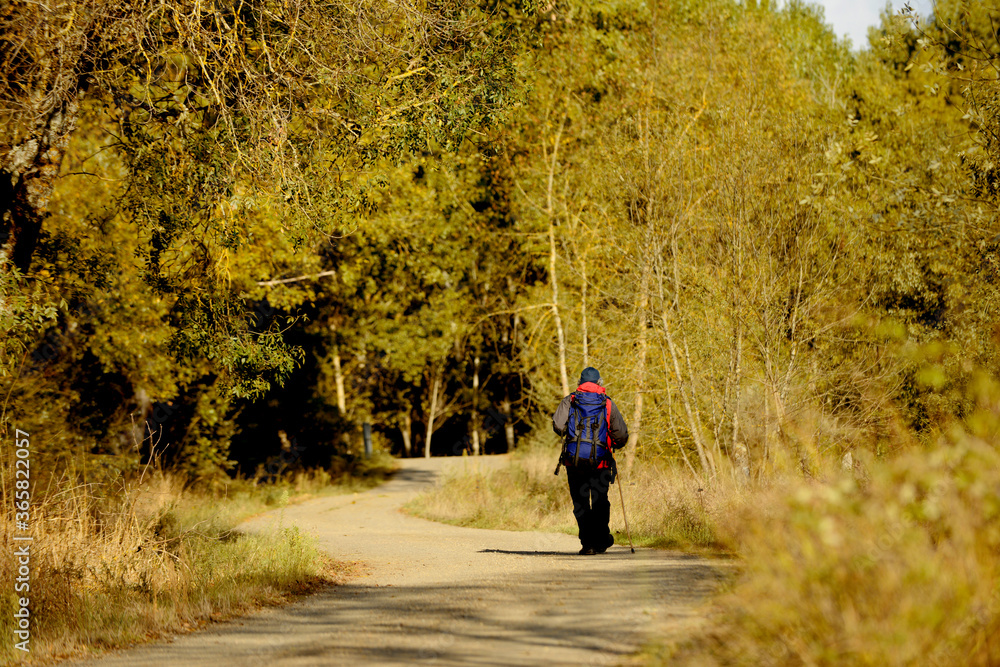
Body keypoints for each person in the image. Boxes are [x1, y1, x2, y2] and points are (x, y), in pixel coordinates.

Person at [552, 367, 629, 555]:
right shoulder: (607, 403)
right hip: (600, 462)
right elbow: (621, 434)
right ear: (599, 383)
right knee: (600, 500)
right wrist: (616, 444)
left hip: (574, 461)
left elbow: (557, 425)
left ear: (580, 382)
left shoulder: (569, 400)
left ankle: (588, 544)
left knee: (580, 502)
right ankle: (602, 540)